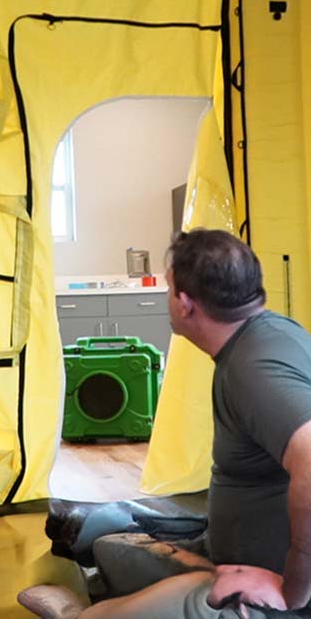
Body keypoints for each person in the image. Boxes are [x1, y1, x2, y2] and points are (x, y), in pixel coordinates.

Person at [19, 229, 311, 619]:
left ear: (186, 303)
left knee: (163, 601)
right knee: (104, 539)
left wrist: (294, 590)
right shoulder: (269, 333)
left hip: (261, 593)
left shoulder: (254, 368)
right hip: (222, 551)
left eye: (169, 288)